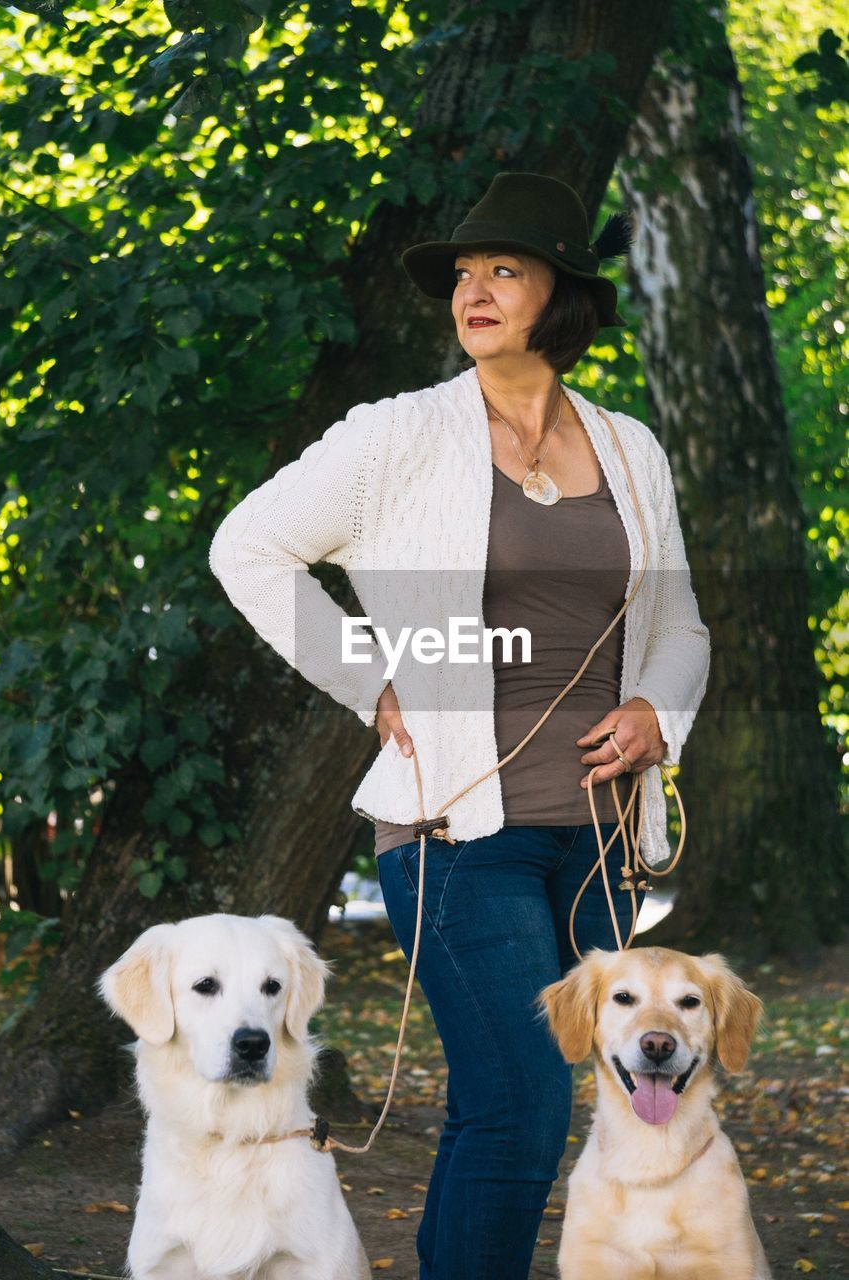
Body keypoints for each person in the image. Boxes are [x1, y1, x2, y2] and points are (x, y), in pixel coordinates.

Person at [208, 171, 710, 1280]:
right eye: (463, 275)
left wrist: (653, 713)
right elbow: (247, 546)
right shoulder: (397, 436)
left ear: (560, 296)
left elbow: (679, 622)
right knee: (521, 1099)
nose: (472, 291)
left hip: (601, 842)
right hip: (452, 834)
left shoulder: (631, 449)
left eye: (504, 270)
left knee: (521, 1108)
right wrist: (367, 677)